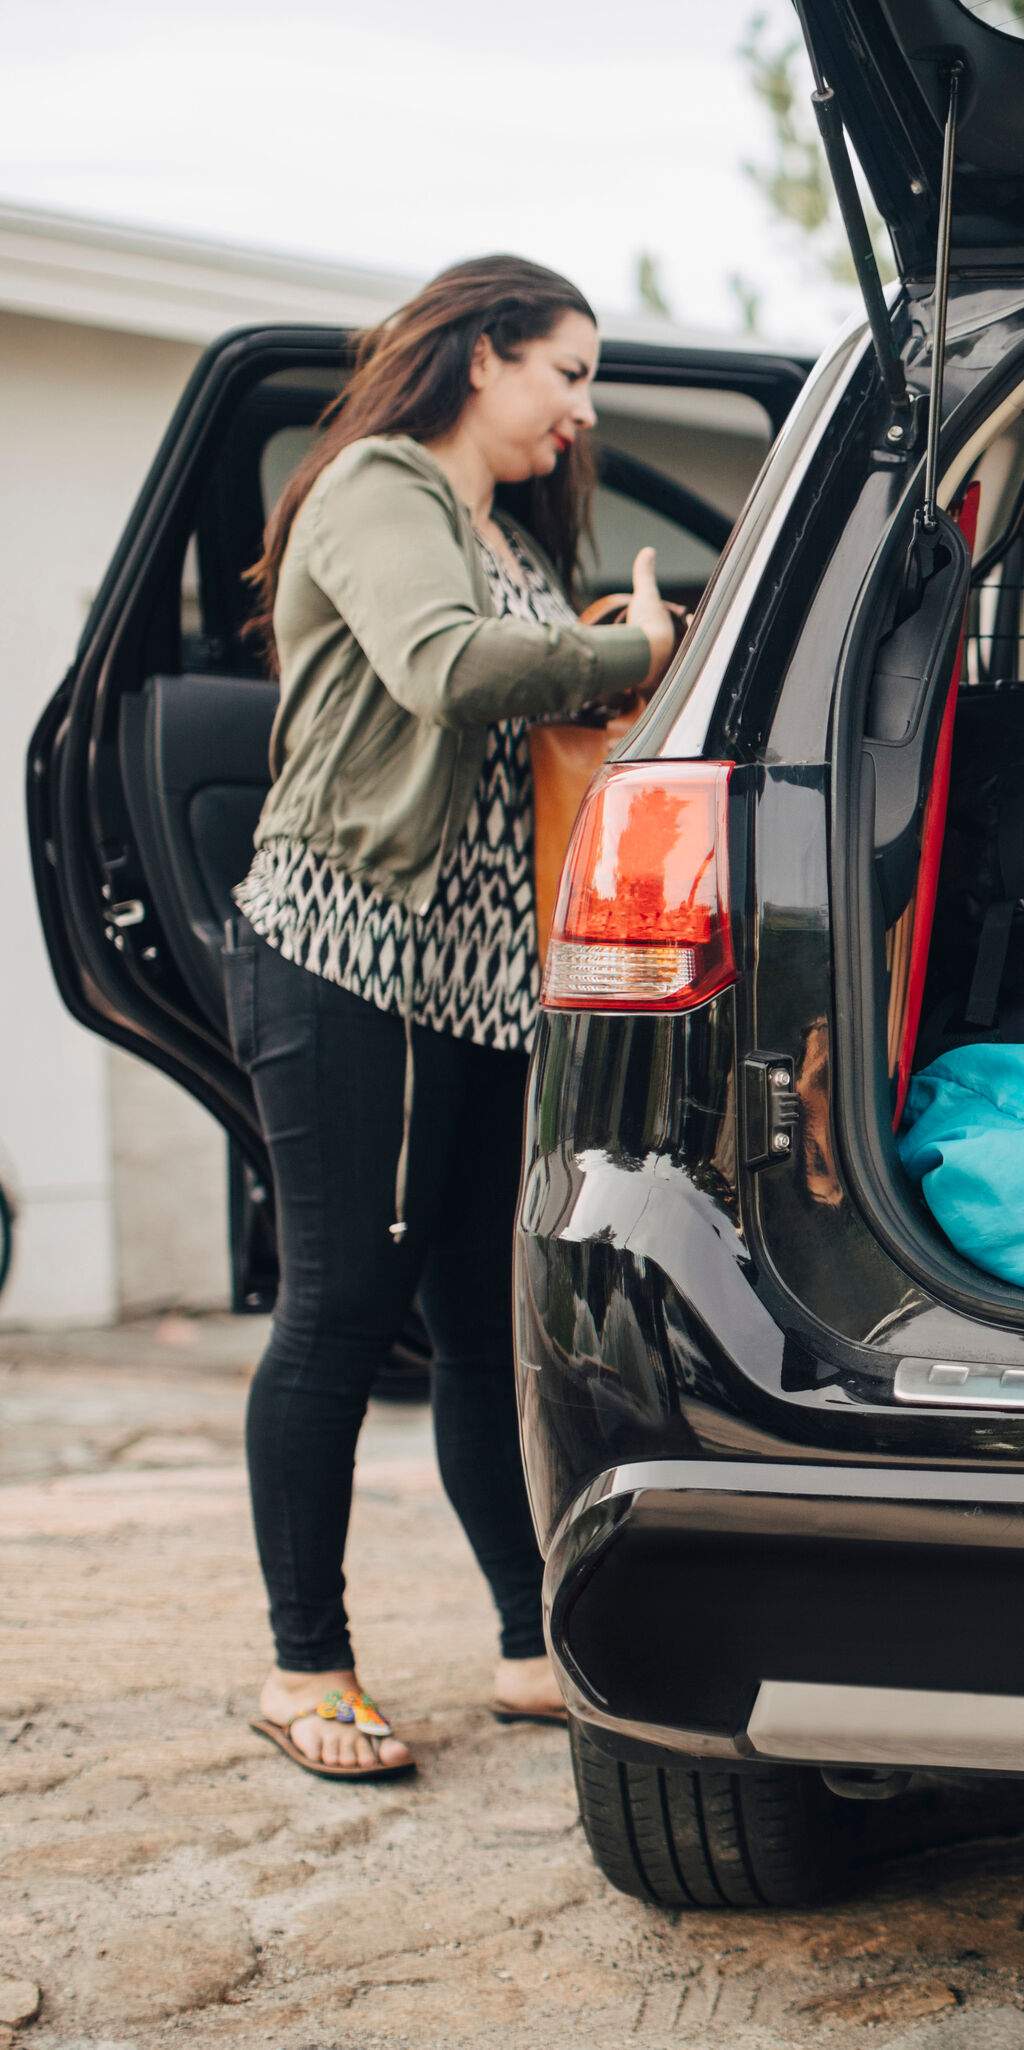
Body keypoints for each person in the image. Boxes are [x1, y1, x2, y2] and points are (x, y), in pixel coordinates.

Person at [229, 256, 677, 1781]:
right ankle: (305, 1666)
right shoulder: (374, 485)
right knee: (342, 1303)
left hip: (483, 984)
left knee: (482, 1329)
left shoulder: (508, 535)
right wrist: (635, 652)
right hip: (343, 946)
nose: (581, 406)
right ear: (482, 355)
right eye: (564, 369)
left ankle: (521, 1639)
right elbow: (449, 668)